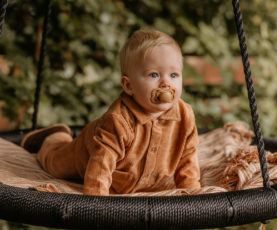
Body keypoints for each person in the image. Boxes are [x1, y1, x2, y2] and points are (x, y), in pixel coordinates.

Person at [21, 30, 200, 196]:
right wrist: (98, 206)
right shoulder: (118, 120)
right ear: (128, 86)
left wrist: (192, 195)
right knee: (55, 165)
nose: (166, 84)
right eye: (154, 75)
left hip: (134, 181)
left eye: (174, 75)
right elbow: (101, 163)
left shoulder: (185, 116)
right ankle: (54, 137)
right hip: (87, 151)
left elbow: (188, 159)